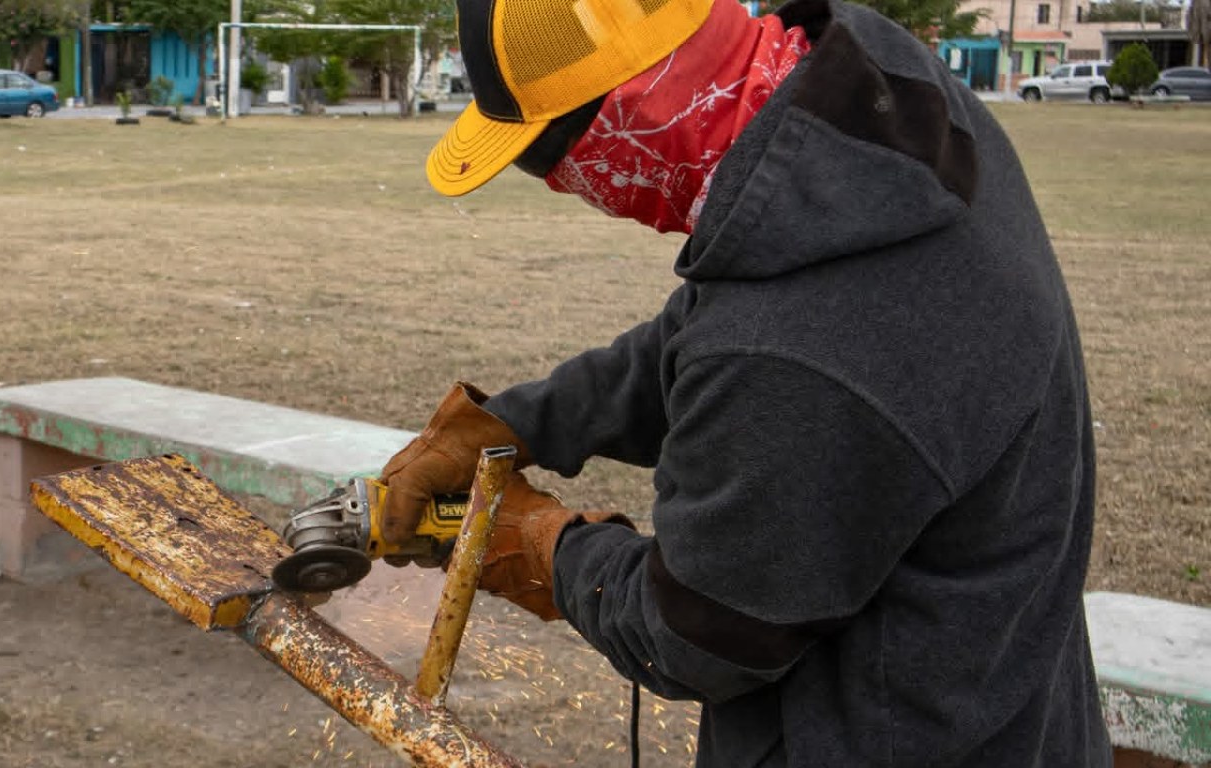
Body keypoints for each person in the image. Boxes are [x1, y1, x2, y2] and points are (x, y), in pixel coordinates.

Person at [378, 0, 1110, 763]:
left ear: (632, 110)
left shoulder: (794, 347)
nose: (563, 185)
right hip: (1008, 703)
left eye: (544, 155)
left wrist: (537, 545)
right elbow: (709, 334)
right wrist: (523, 423)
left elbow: (699, 634)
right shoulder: (878, 112)